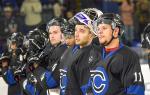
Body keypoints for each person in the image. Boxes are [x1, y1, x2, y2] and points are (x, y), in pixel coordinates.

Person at [89, 13, 145, 95]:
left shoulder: (128, 56)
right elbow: (91, 84)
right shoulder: (95, 53)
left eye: (104, 28)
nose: (99, 32)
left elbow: (136, 90)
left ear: (115, 31)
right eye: (98, 29)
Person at [63, 8, 103, 95]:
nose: (76, 34)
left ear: (92, 34)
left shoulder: (94, 56)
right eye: (76, 30)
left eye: (82, 31)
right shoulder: (73, 51)